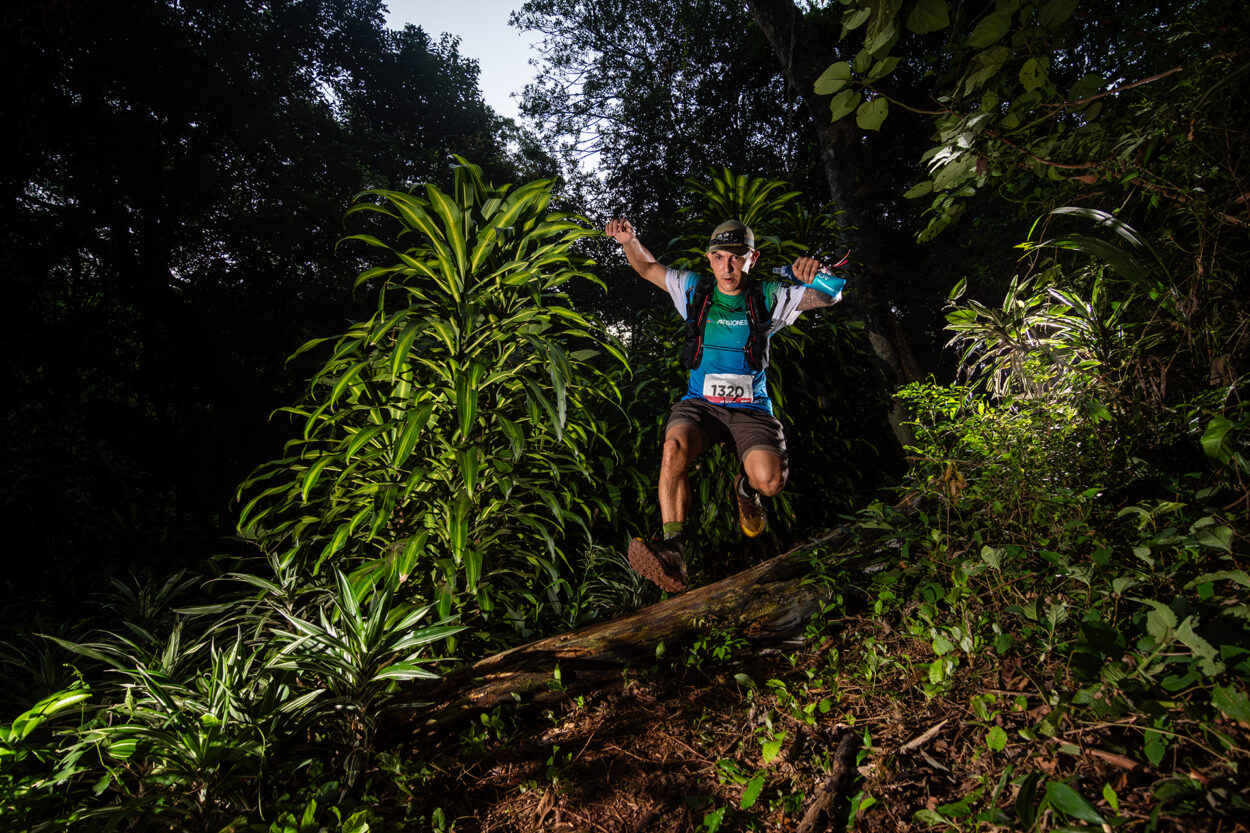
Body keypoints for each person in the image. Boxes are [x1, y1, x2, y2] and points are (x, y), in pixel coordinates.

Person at [604, 217, 843, 593]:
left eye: (736, 258)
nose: (727, 267)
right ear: (709, 259)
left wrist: (819, 274)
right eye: (718, 257)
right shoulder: (693, 290)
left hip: (751, 408)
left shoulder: (770, 296)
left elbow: (830, 296)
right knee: (673, 449)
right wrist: (629, 241)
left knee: (770, 482)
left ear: (752, 258)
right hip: (700, 404)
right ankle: (673, 551)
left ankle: (745, 489)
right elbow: (647, 266)